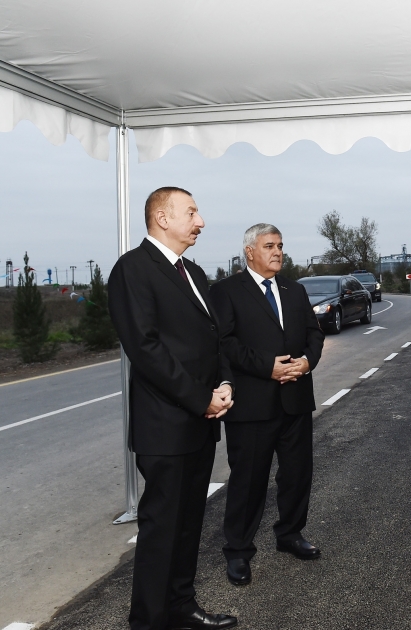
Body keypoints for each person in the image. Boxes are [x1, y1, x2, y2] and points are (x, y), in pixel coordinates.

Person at [108, 187, 237, 630]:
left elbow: (214, 338)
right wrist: (201, 398)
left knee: (188, 525)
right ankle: (147, 621)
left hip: (199, 424)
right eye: (192, 212)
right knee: (162, 530)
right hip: (165, 426)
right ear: (162, 218)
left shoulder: (193, 272)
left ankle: (181, 606)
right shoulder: (133, 269)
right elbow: (146, 350)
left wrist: (223, 384)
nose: (201, 221)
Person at [209, 224, 325, 587]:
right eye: (269, 246)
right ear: (249, 251)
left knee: (297, 474)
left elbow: (314, 333)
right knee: (249, 481)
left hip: (295, 400)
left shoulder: (295, 289)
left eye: (280, 246)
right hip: (252, 406)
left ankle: (290, 534)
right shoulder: (226, 291)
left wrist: (306, 362)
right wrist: (266, 367)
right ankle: (238, 551)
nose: (277, 252)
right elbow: (224, 343)